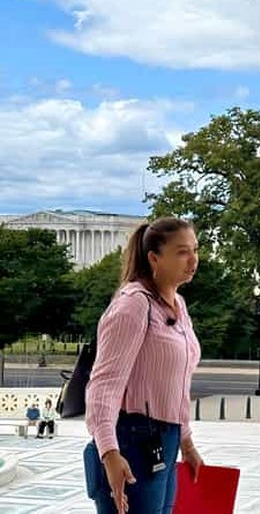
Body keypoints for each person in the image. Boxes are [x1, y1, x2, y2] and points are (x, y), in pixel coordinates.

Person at [83, 217, 203, 514]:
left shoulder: (178, 305)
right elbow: (103, 385)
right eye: (181, 252)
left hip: (166, 440)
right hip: (132, 441)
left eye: (195, 250)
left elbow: (178, 383)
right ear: (154, 258)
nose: (193, 260)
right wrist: (109, 453)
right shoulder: (133, 305)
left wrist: (185, 442)